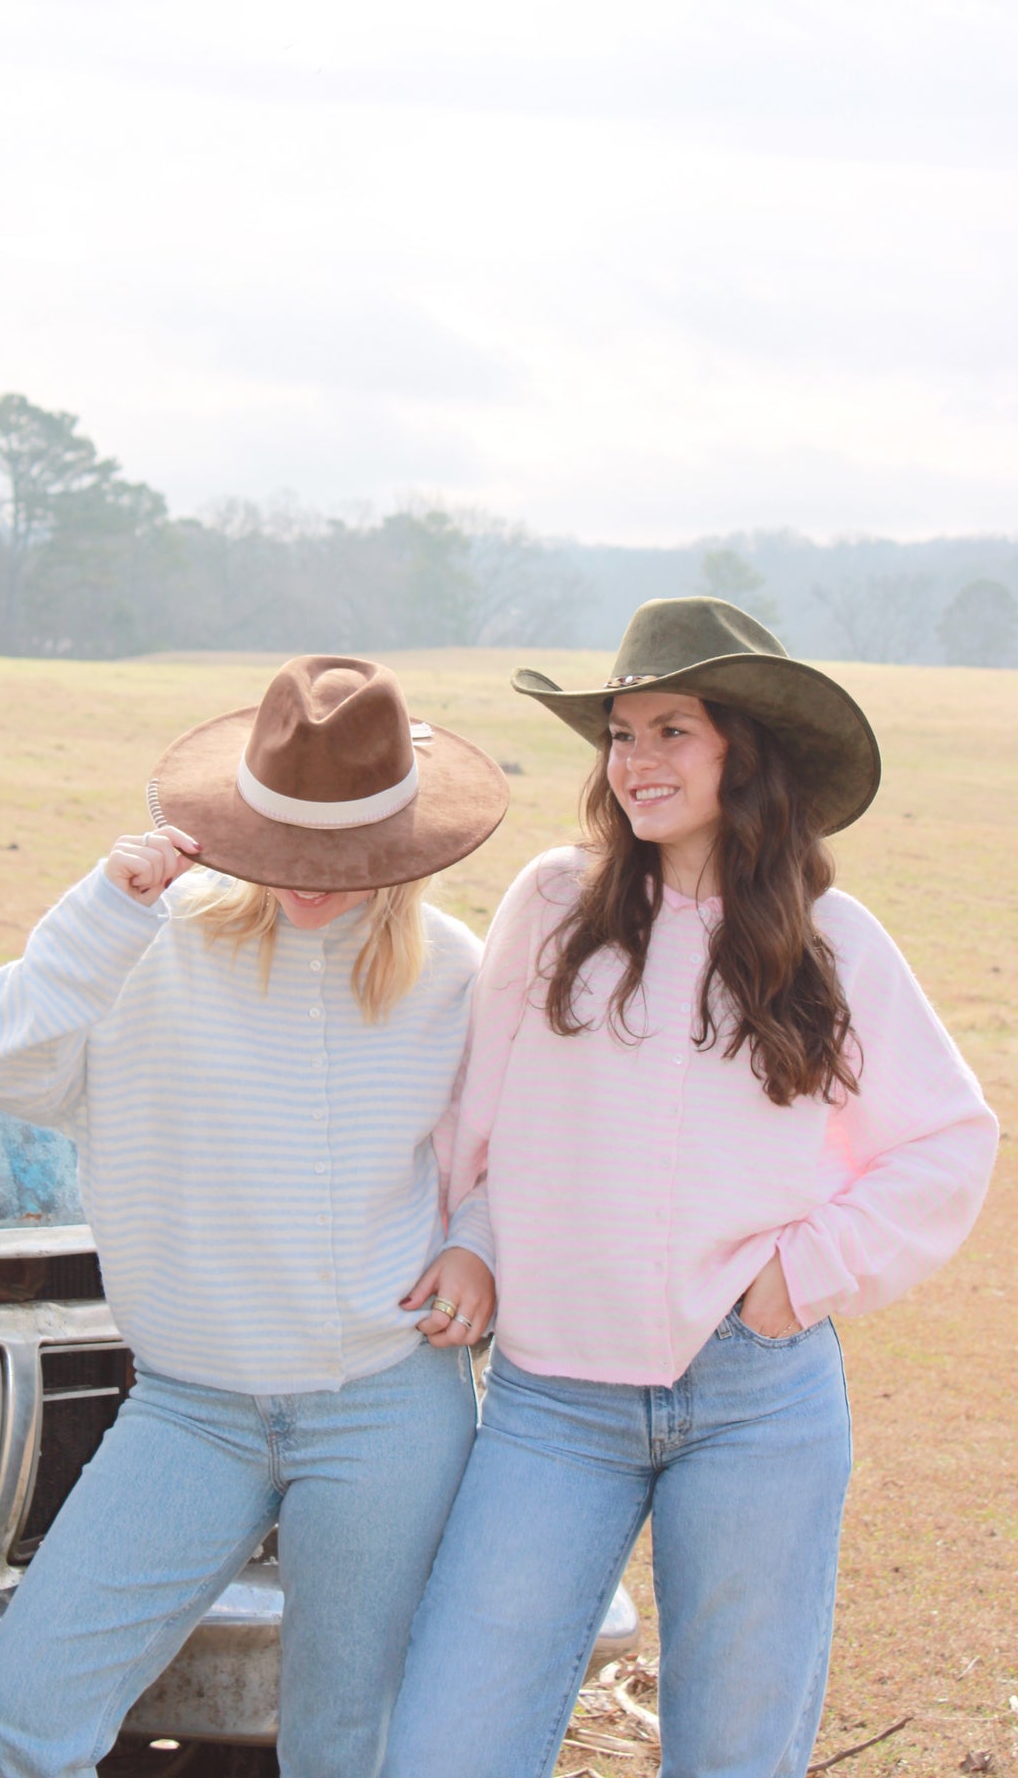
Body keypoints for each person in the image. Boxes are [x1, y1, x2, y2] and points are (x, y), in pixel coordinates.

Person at [384, 598, 999, 1778]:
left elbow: (946, 1141)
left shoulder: (831, 938)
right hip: (552, 1401)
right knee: (449, 1743)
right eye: (619, 734)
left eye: (671, 729)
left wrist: (791, 1278)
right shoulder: (555, 906)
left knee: (732, 1755)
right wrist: (471, 1236)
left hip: (754, 1396)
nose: (634, 761)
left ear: (742, 751)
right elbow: (480, 1117)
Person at [0, 654, 510, 1778]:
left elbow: (518, 1149)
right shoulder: (148, 940)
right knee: (22, 1715)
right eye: (287, 845)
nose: (309, 881)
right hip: (190, 1406)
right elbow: (1, 1068)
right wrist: (103, 907)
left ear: (401, 841)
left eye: (340, 855)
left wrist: (476, 1242)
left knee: (343, 1743)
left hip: (388, 1407)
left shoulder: (454, 970)